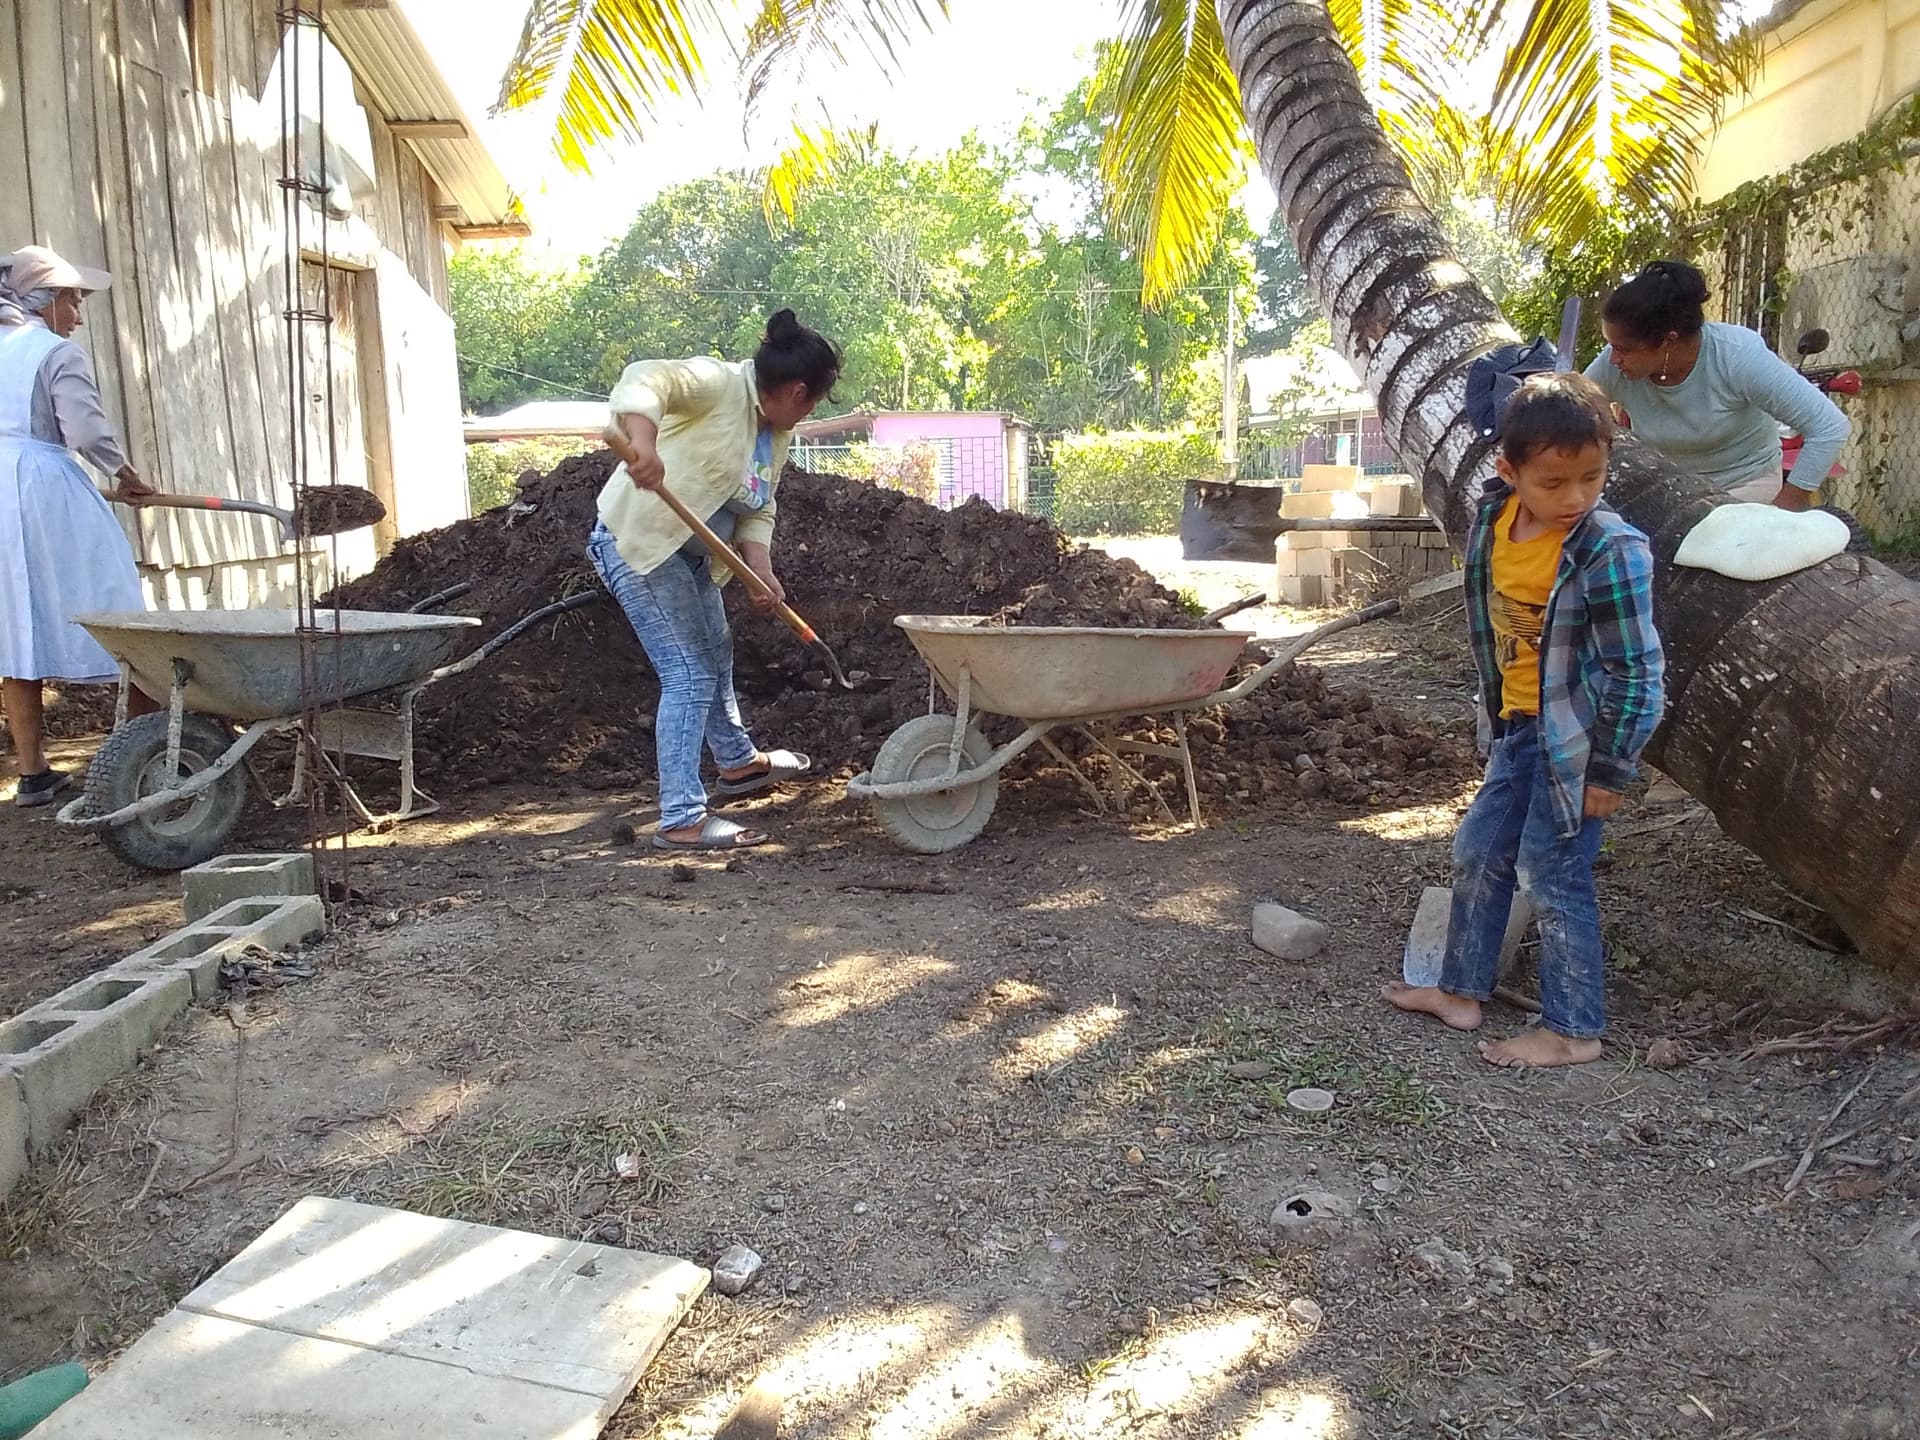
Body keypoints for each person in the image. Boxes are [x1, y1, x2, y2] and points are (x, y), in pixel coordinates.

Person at [1385, 373, 1666, 1068]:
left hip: (1575, 744)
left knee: (1553, 873)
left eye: (1592, 477)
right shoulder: (1495, 520)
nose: (1575, 498)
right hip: (1518, 727)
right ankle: (1460, 991)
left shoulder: (1610, 549)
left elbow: (1638, 671)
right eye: (1553, 482)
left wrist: (1611, 770)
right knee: (1478, 851)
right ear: (1509, 472)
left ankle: (1573, 1029)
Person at [589, 309, 841, 851]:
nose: (810, 412)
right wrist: (644, 444)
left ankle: (737, 762)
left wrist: (760, 570)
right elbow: (645, 378)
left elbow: (758, 507)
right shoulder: (719, 385)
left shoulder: (774, 435)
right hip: (641, 548)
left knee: (717, 649)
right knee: (689, 673)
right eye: (814, 402)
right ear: (798, 392)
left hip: (692, 558)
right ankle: (681, 818)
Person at [0, 245, 157, 809]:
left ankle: (34, 772)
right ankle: (147, 751)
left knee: (14, 622)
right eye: (74, 300)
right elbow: (85, 432)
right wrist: (125, 473)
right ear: (45, 300)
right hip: (43, 485)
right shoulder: (53, 352)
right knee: (115, 602)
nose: (79, 316)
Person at [1584, 259, 1850, 510]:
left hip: (1742, 485)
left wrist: (1781, 512)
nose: (1613, 358)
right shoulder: (1615, 361)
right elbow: (1572, 405)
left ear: (1668, 341)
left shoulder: (1737, 356)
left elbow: (1829, 427)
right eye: (1611, 346)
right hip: (1665, 486)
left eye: (1623, 349)